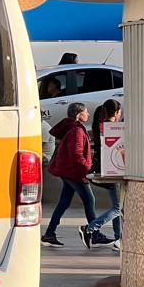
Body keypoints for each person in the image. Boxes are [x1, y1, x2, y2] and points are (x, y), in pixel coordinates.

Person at [43, 102, 95, 247]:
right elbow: (76, 154)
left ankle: (49, 233)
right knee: (90, 201)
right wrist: (87, 168)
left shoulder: (72, 128)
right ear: (79, 114)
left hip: (67, 171)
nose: (88, 114)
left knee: (64, 203)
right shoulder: (76, 131)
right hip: (74, 173)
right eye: (86, 112)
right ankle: (95, 233)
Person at [79, 99, 124, 248]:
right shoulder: (115, 128)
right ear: (117, 112)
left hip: (107, 169)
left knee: (118, 207)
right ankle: (89, 228)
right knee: (118, 208)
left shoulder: (100, 126)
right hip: (115, 170)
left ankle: (119, 239)